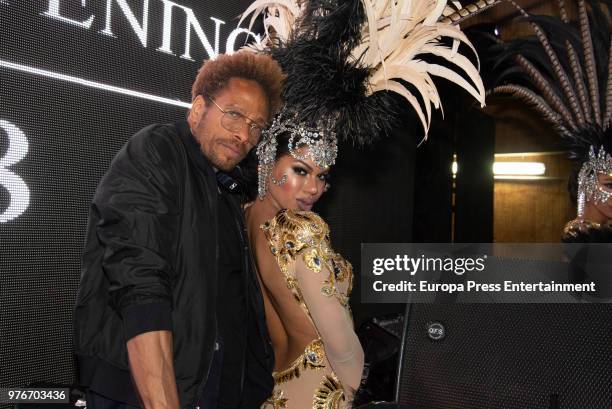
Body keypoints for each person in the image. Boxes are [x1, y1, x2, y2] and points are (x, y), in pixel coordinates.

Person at [73, 51, 284, 409]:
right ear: (199, 108)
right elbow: (140, 287)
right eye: (234, 114)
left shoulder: (227, 192)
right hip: (144, 395)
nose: (244, 134)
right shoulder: (157, 150)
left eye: (256, 126)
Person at [244, 124, 364, 407]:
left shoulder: (243, 216)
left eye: (322, 176)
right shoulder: (300, 229)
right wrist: (354, 388)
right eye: (300, 170)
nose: (314, 188)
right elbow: (338, 340)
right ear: (266, 162)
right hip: (322, 388)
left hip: (276, 389)